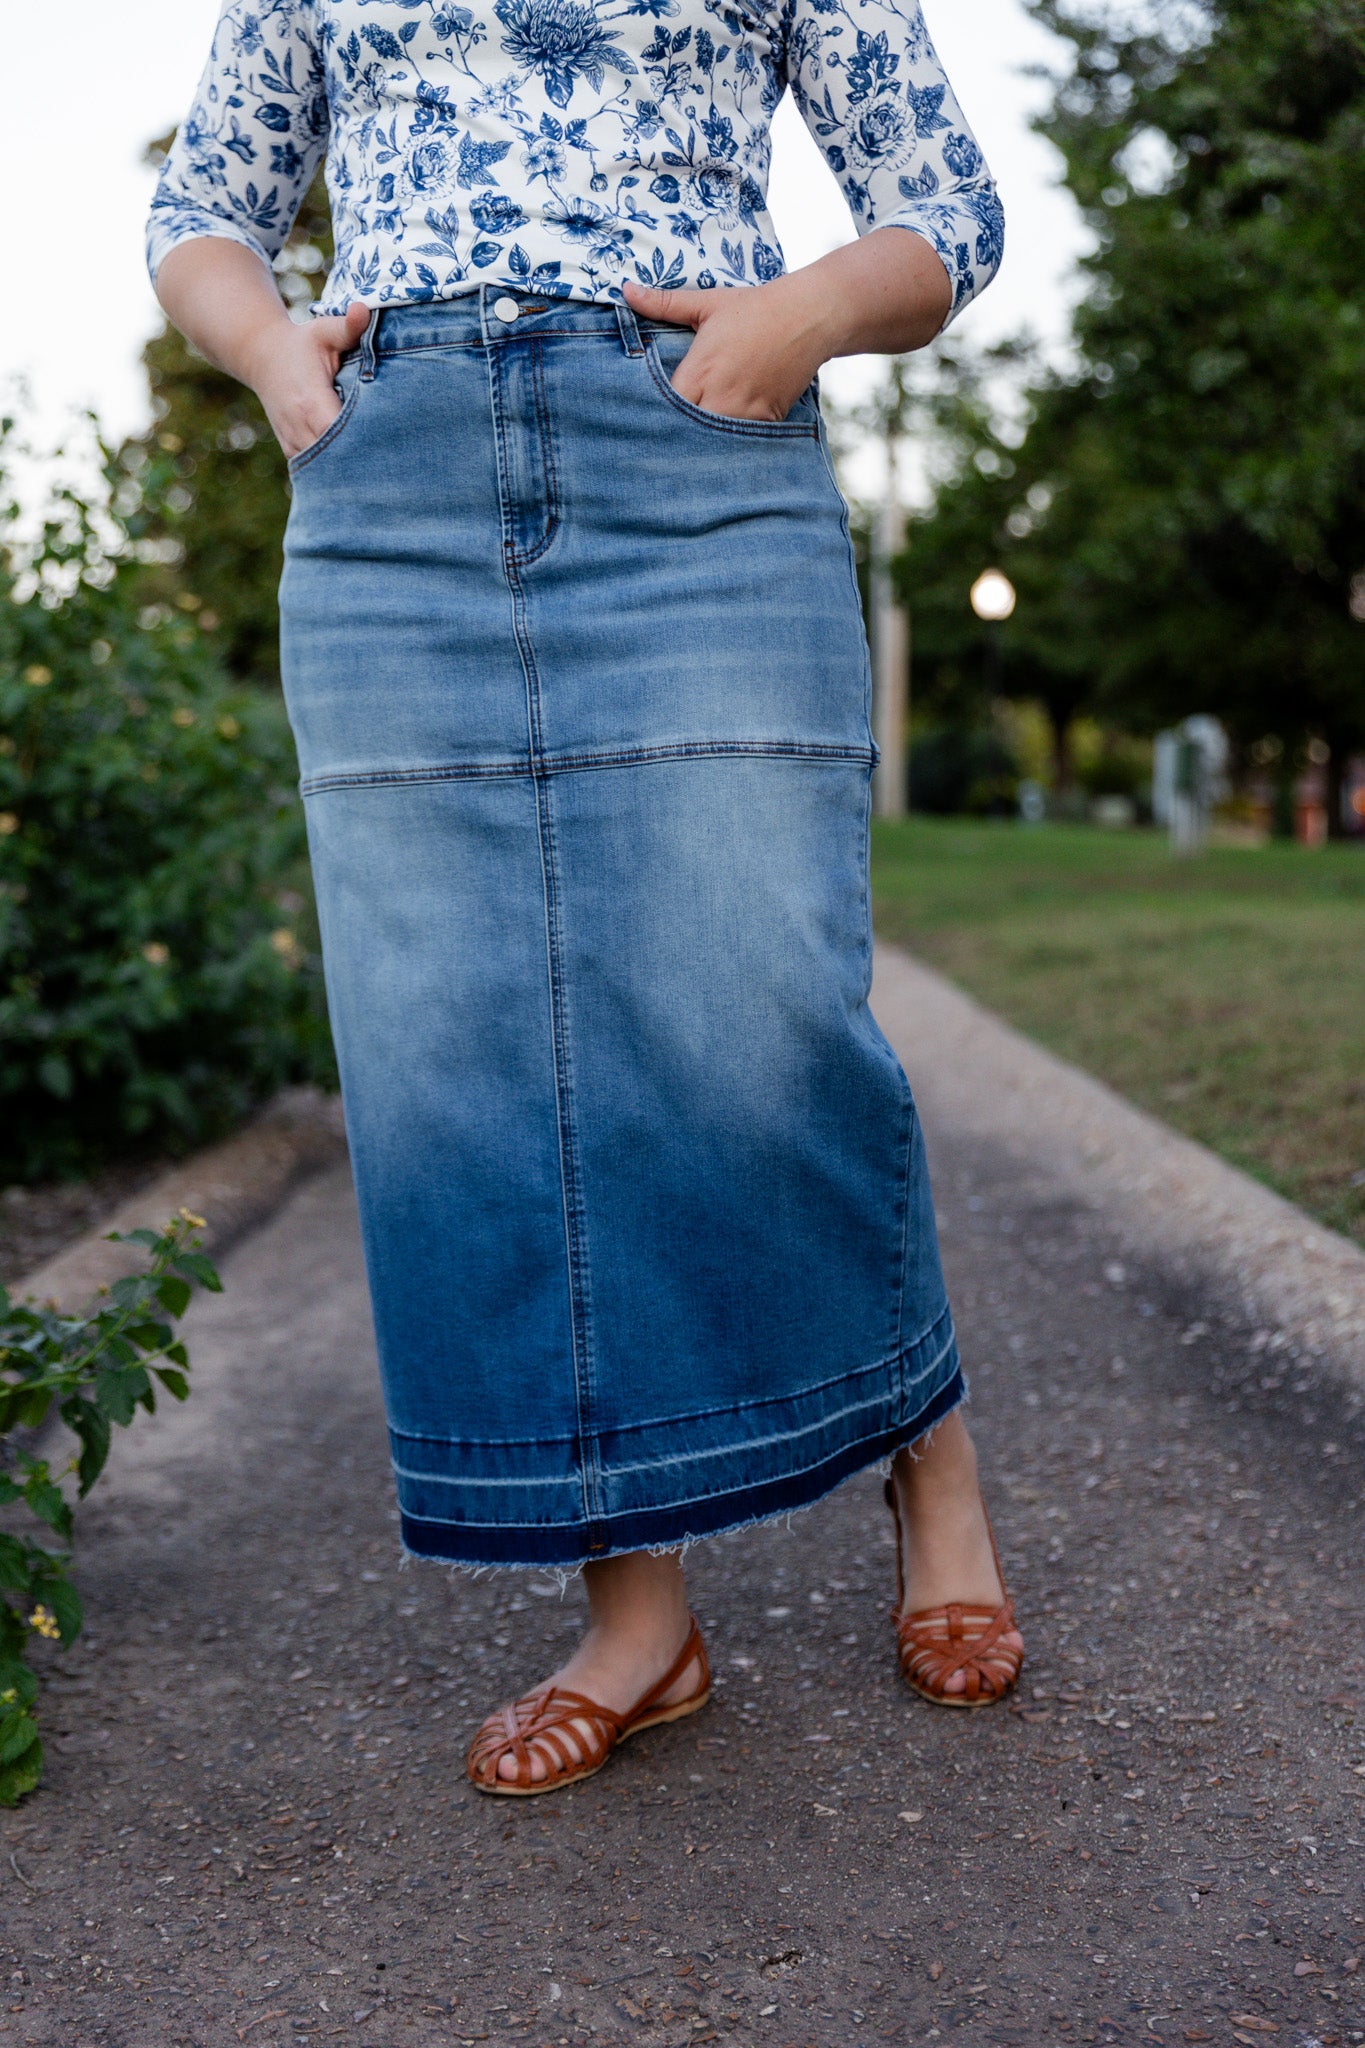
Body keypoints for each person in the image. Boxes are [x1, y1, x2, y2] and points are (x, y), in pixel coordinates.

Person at [149, 0, 1023, 1798]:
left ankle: (924, 1456)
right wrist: (276, 361)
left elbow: (942, 209)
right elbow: (202, 211)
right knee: (480, 1062)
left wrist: (795, 318)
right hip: (391, 494)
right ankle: (639, 1618)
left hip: (691, 456)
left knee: (761, 1014)